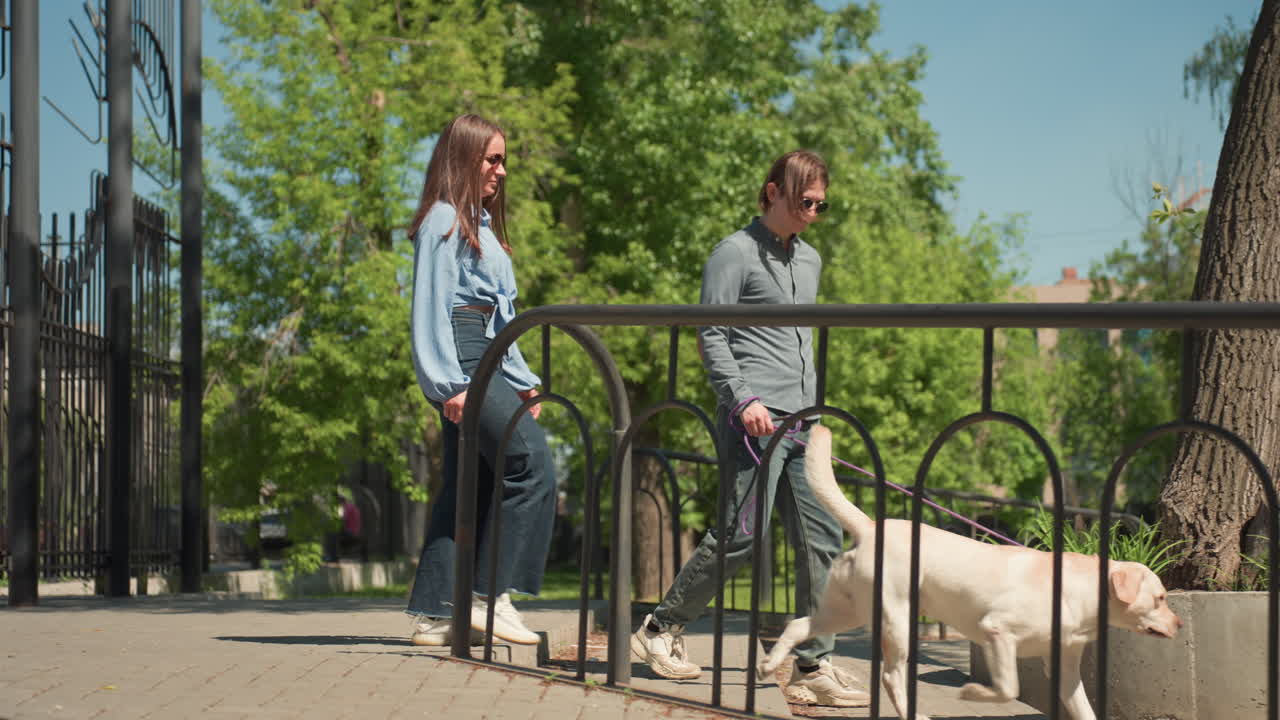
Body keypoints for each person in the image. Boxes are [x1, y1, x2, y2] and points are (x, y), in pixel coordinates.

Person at [630, 151, 871, 707]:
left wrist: (812, 411)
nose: (813, 212)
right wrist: (741, 401)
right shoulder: (733, 253)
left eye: (821, 204)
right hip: (753, 423)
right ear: (772, 193)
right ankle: (660, 629)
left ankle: (814, 665)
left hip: (802, 424)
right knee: (741, 536)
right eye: (804, 201)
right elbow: (710, 332)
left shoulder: (810, 260)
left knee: (824, 539)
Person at [405, 114, 555, 647]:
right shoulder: (444, 219)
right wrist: (449, 384)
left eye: (503, 159)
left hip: (485, 355)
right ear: (464, 158)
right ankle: (489, 598)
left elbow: (498, 316)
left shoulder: (480, 224)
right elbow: (434, 309)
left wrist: (520, 378)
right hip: (462, 359)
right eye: (492, 159)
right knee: (530, 464)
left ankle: (436, 612)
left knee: (470, 485)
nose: (502, 170)